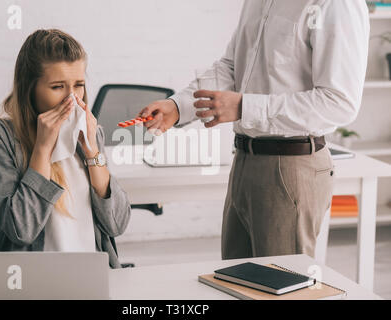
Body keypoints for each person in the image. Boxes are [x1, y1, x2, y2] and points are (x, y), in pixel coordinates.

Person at [138, 0, 370, 259]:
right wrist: (179, 106)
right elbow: (231, 67)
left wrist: (245, 107)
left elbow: (339, 102)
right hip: (244, 162)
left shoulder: (336, 4)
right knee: (236, 282)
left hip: (291, 167)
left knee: (282, 289)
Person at [0, 29, 131, 268]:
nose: (71, 99)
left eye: (78, 85)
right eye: (58, 87)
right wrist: (42, 149)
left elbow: (117, 224)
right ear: (30, 88)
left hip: (94, 278)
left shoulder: (91, 134)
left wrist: (92, 152)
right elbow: (21, 229)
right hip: (33, 281)